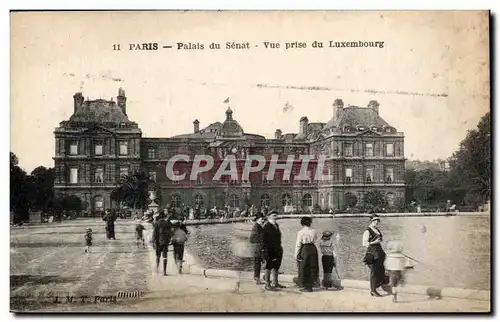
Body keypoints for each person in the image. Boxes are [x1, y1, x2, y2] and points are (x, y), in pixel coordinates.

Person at [362, 214, 389, 297]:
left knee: (381, 270)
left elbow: (379, 240)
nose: (377, 222)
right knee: (374, 272)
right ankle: (373, 290)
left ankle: (376, 285)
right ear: (371, 221)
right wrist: (374, 242)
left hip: (379, 252)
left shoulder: (376, 229)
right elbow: (364, 243)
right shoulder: (368, 231)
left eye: (378, 221)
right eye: (375, 220)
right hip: (372, 254)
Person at [261, 211, 285, 291]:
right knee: (268, 266)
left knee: (276, 266)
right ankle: (267, 284)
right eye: (274, 215)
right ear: (269, 217)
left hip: (277, 249)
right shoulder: (267, 226)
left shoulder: (276, 225)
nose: (276, 217)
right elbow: (264, 240)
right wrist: (265, 251)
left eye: (276, 215)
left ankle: (275, 282)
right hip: (269, 249)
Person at [294, 216, 319, 292]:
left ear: (302, 223)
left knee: (305, 267)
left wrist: (296, 255)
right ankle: (312, 283)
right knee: (313, 266)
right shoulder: (314, 231)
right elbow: (315, 239)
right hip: (313, 248)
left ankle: (306, 286)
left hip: (305, 248)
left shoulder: (301, 232)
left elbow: (298, 244)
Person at [152, 210, 173, 276]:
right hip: (165, 242)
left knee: (158, 256)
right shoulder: (167, 223)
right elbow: (170, 233)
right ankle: (164, 271)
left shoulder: (157, 223)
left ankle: (157, 269)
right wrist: (169, 240)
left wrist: (153, 242)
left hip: (158, 242)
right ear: (164, 217)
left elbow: (154, 234)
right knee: (165, 256)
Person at [250, 212, 266, 284]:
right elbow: (254, 239)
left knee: (258, 263)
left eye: (263, 219)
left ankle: (258, 277)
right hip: (257, 248)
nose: (263, 220)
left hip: (257, 248)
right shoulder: (256, 227)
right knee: (257, 264)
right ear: (257, 219)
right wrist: (261, 248)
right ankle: (257, 279)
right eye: (261, 219)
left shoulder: (258, 226)